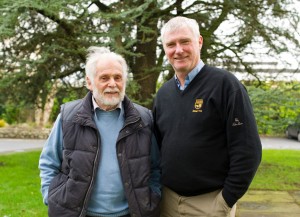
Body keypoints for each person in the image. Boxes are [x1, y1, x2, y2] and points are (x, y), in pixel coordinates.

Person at [153, 16, 262, 217]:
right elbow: (158, 148)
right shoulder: (163, 94)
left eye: (185, 41)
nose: (178, 50)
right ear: (165, 48)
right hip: (167, 202)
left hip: (210, 205)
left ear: (199, 42)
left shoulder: (226, 86)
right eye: (171, 44)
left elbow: (248, 150)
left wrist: (226, 200)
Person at [39, 46, 161, 217]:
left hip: (130, 213)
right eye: (104, 78)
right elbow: (49, 162)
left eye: (118, 77)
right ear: (89, 82)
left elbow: (155, 167)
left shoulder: (144, 119)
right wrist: (50, 196)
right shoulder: (68, 117)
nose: (112, 84)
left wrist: (153, 196)